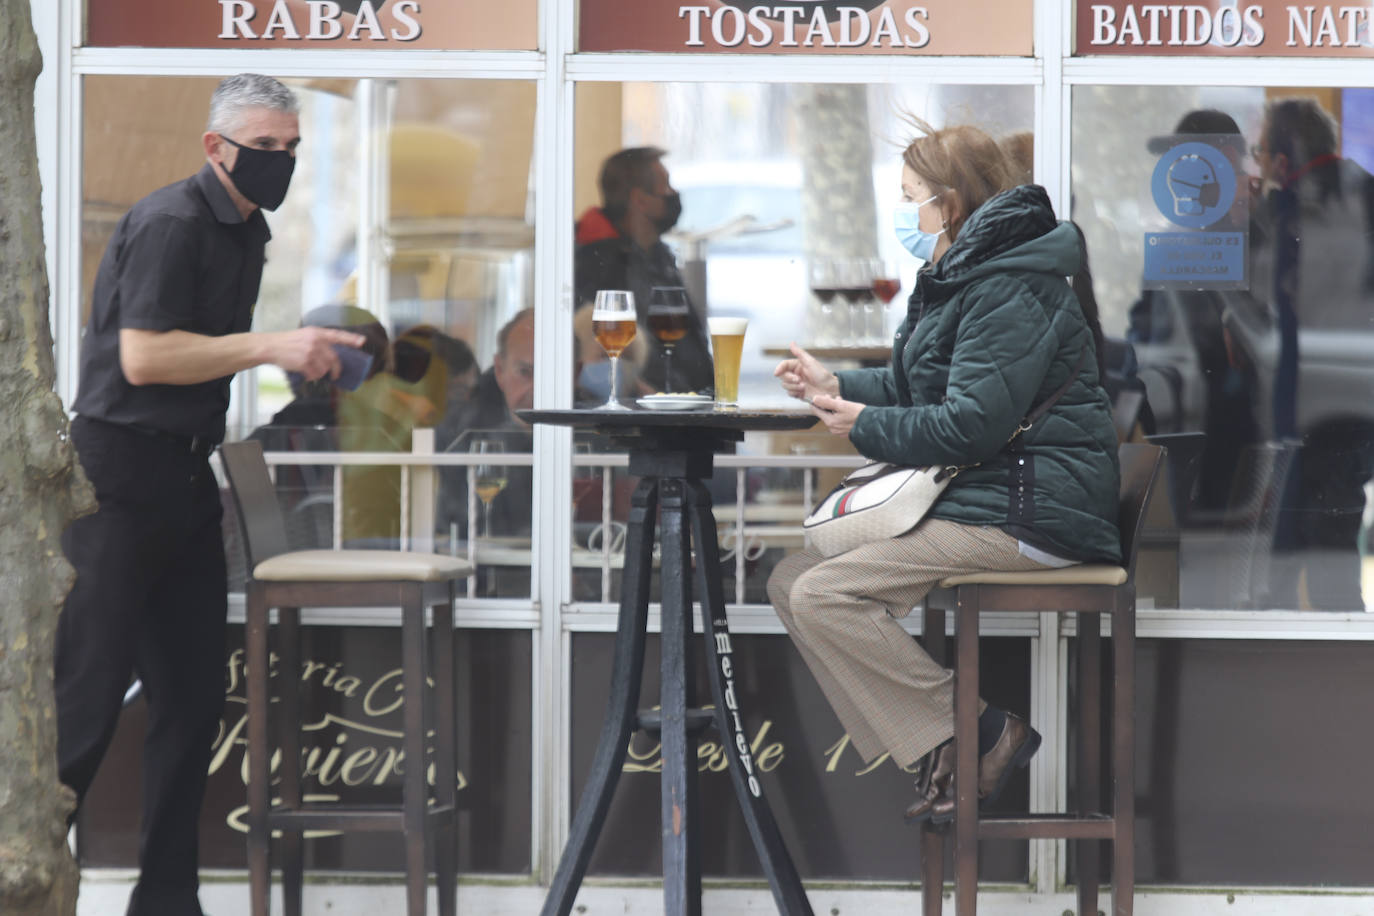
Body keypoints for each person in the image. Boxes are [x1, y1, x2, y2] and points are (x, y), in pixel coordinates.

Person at [56, 74, 366, 916]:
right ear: (214, 146)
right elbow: (145, 360)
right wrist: (273, 347)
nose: (282, 161)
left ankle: (166, 899)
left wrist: (289, 354)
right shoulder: (171, 221)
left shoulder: (248, 230)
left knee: (192, 702)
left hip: (190, 479)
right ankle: (29, 881)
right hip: (117, 480)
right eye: (265, 147)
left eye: (292, 148)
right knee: (85, 703)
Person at [766, 120, 1121, 824]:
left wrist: (859, 427)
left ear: (950, 203)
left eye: (912, 197)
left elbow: (970, 425)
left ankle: (985, 733)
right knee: (788, 577)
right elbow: (919, 385)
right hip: (990, 498)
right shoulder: (965, 274)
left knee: (822, 595)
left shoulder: (1008, 287)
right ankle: (941, 742)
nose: (906, 212)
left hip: (1028, 510)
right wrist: (837, 385)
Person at [1242, 97, 1374, 608]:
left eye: (1260, 152)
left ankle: (1322, 666)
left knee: (1302, 544)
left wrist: (1253, 212)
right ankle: (1332, 657)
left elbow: (1260, 297)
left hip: (1310, 405)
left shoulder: (1292, 209)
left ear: (1279, 162)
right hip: (1360, 399)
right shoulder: (1363, 193)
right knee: (1325, 539)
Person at [574, 146, 714, 395]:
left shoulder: (655, 254)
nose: (674, 195)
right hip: (650, 417)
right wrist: (675, 400)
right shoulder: (600, 262)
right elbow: (622, 355)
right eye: (667, 187)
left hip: (683, 409)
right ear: (640, 200)